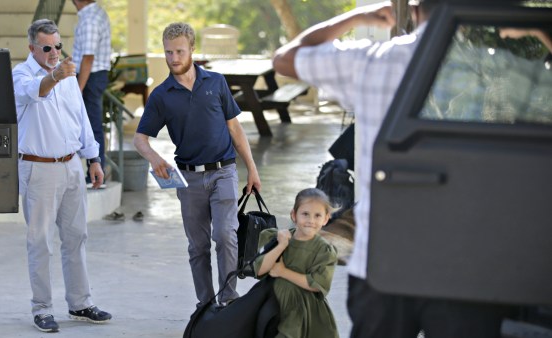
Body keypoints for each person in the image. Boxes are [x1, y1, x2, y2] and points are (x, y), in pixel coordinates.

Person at [272, 1, 512, 337]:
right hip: (463, 259)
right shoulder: (496, 67)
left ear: (413, 12)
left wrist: (356, 16)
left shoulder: (372, 60)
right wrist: (533, 26)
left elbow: (285, 58)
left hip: (381, 257)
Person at [133, 22, 261, 307]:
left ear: (192, 49)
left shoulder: (215, 82)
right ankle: (206, 306)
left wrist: (251, 168)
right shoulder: (161, 95)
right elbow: (140, 139)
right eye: (168, 52)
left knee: (226, 235)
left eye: (179, 51)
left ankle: (229, 299)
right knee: (198, 247)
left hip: (224, 171)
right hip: (189, 180)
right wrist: (156, 158)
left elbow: (235, 129)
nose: (173, 58)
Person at [12, 19, 111, 333]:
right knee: (40, 242)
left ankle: (80, 303)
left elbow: (80, 118)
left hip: (70, 166)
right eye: (47, 47)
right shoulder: (21, 74)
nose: (54, 52)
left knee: (76, 238)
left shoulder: (66, 75)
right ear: (32, 48)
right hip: (38, 167)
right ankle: (41, 308)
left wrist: (93, 158)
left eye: (58, 46)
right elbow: (33, 92)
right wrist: (55, 75)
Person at [254, 188, 339, 338]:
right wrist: (281, 246)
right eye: (305, 214)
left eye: (317, 215)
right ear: (294, 215)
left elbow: (316, 284)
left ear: (326, 219)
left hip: (302, 308)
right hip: (272, 302)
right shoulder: (276, 237)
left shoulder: (324, 250)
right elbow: (259, 270)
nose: (311, 221)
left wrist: (282, 272)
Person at [71, 0, 111, 183]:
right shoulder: (94, 14)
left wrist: (77, 90)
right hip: (94, 76)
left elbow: (88, 58)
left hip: (90, 77)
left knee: (92, 125)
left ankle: (94, 175)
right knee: (91, 124)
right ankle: (94, 172)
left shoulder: (90, 20)